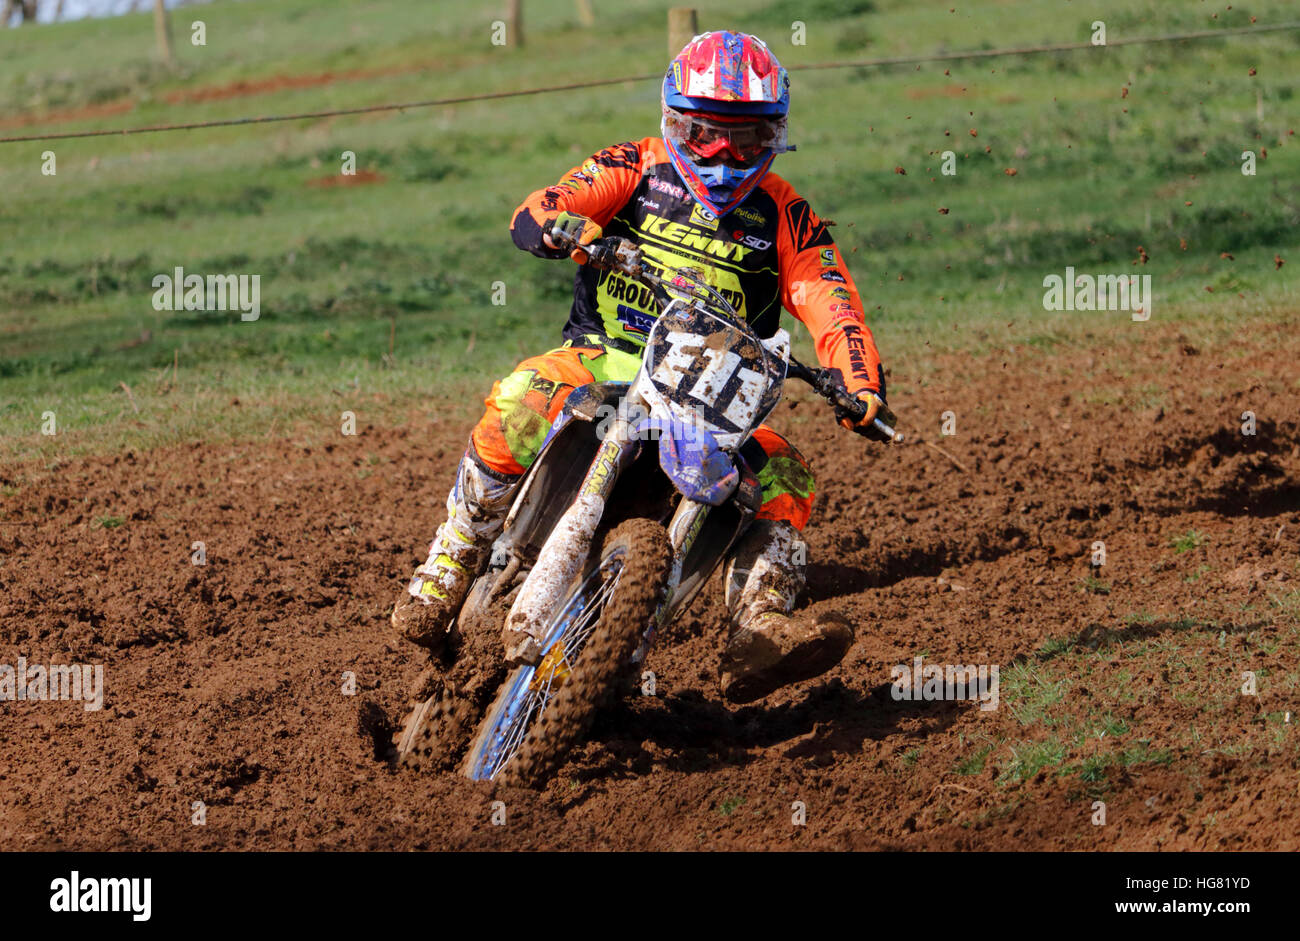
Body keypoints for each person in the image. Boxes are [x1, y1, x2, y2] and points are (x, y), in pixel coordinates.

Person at [393, 31, 893, 704]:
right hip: (603, 357)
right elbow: (544, 203)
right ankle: (452, 554)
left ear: (773, 136)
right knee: (522, 395)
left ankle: (757, 625)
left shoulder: (785, 213)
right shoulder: (634, 166)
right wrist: (561, 226)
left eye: (743, 139)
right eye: (705, 134)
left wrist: (857, 383)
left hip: (712, 398)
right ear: (673, 118)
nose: (722, 156)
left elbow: (832, 303)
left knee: (786, 472)